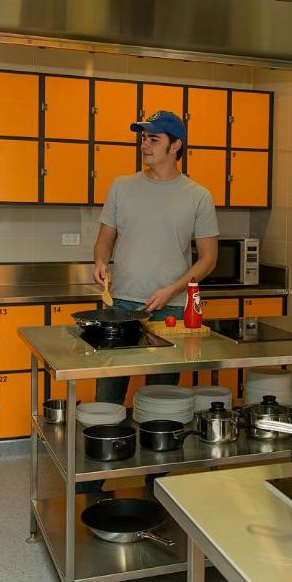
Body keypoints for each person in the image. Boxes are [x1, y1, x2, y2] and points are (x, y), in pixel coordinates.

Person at [93, 110, 219, 403]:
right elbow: (104, 241)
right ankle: (108, 443)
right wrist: (100, 261)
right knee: (107, 393)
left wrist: (172, 291)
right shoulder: (121, 187)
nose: (144, 145)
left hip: (171, 309)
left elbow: (208, 258)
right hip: (121, 303)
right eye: (143, 139)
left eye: (153, 139)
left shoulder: (198, 196)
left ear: (175, 146)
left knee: (161, 398)